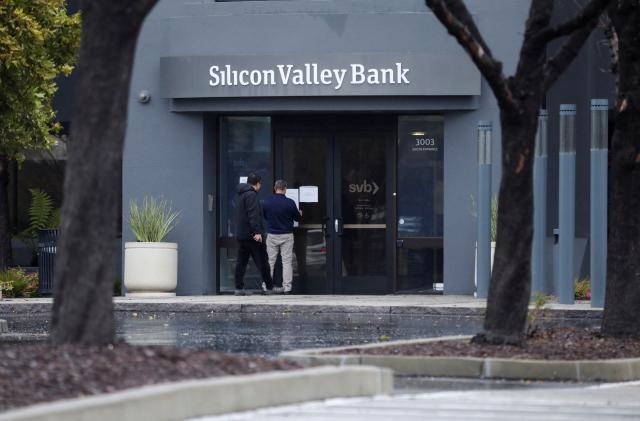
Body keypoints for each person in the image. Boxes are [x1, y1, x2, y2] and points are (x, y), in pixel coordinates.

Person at [234, 173, 274, 296]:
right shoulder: (252, 195)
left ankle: (239, 288)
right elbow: (253, 215)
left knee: (241, 262)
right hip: (252, 235)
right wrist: (257, 232)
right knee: (262, 261)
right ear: (257, 183)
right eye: (260, 184)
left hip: (242, 235)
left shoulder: (241, 195)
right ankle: (269, 287)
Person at [263, 180, 302, 294]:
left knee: (270, 262)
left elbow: (265, 217)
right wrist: (300, 214)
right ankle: (287, 288)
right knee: (287, 262)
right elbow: (297, 218)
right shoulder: (290, 202)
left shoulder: (267, 202)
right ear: (285, 189)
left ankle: (266, 286)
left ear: (275, 188)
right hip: (287, 235)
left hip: (272, 235)